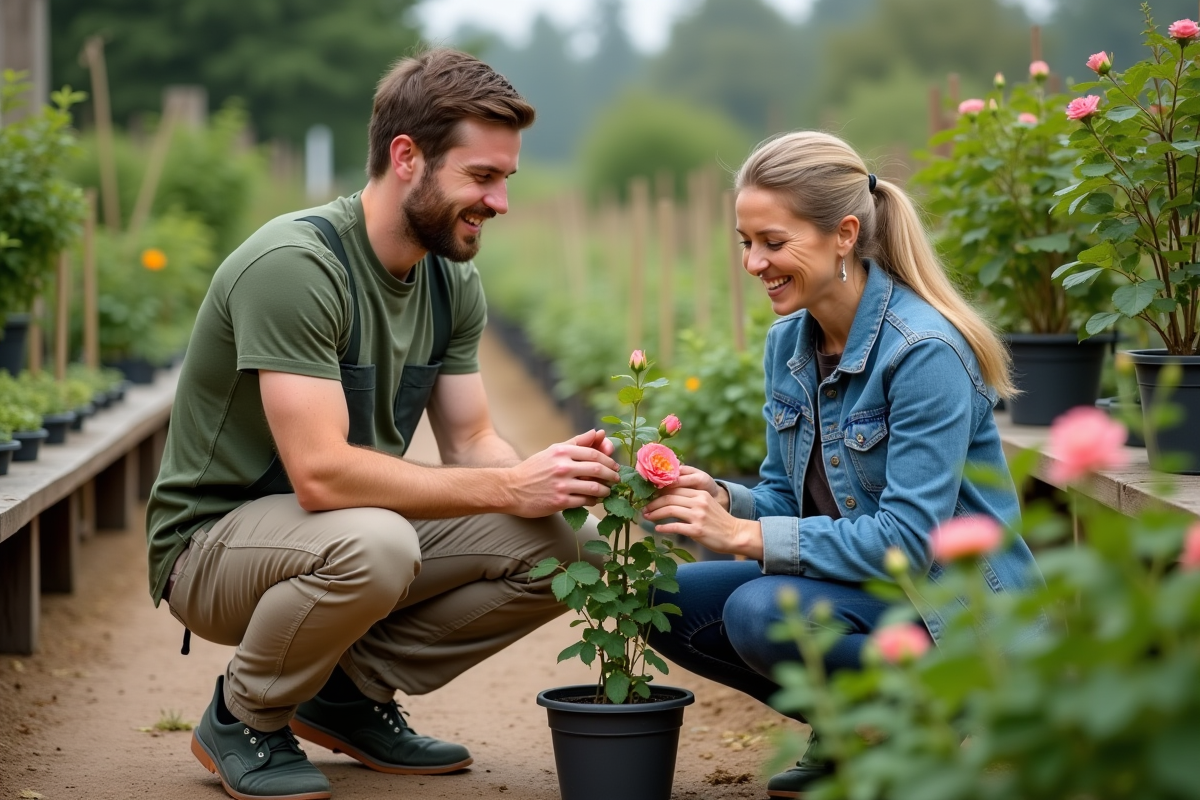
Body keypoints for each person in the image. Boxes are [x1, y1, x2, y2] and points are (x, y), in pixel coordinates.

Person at [146, 48, 618, 800]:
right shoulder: (297, 267)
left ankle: (343, 695)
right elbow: (321, 473)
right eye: (482, 177)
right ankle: (243, 714)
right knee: (377, 541)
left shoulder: (449, 279)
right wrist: (504, 486)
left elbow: (470, 442)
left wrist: (552, 478)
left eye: (506, 179)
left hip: (337, 530)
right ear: (407, 157)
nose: (500, 202)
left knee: (569, 547)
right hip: (212, 546)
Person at [641, 131, 1042, 799]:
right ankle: (851, 727)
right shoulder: (789, 344)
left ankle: (944, 711)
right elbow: (784, 496)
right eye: (745, 242)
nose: (753, 263)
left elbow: (908, 544)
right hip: (864, 594)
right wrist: (719, 498)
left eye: (773, 242)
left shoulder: (922, 352)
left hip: (951, 609)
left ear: (844, 234)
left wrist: (744, 538)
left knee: (759, 612)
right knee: (660, 598)